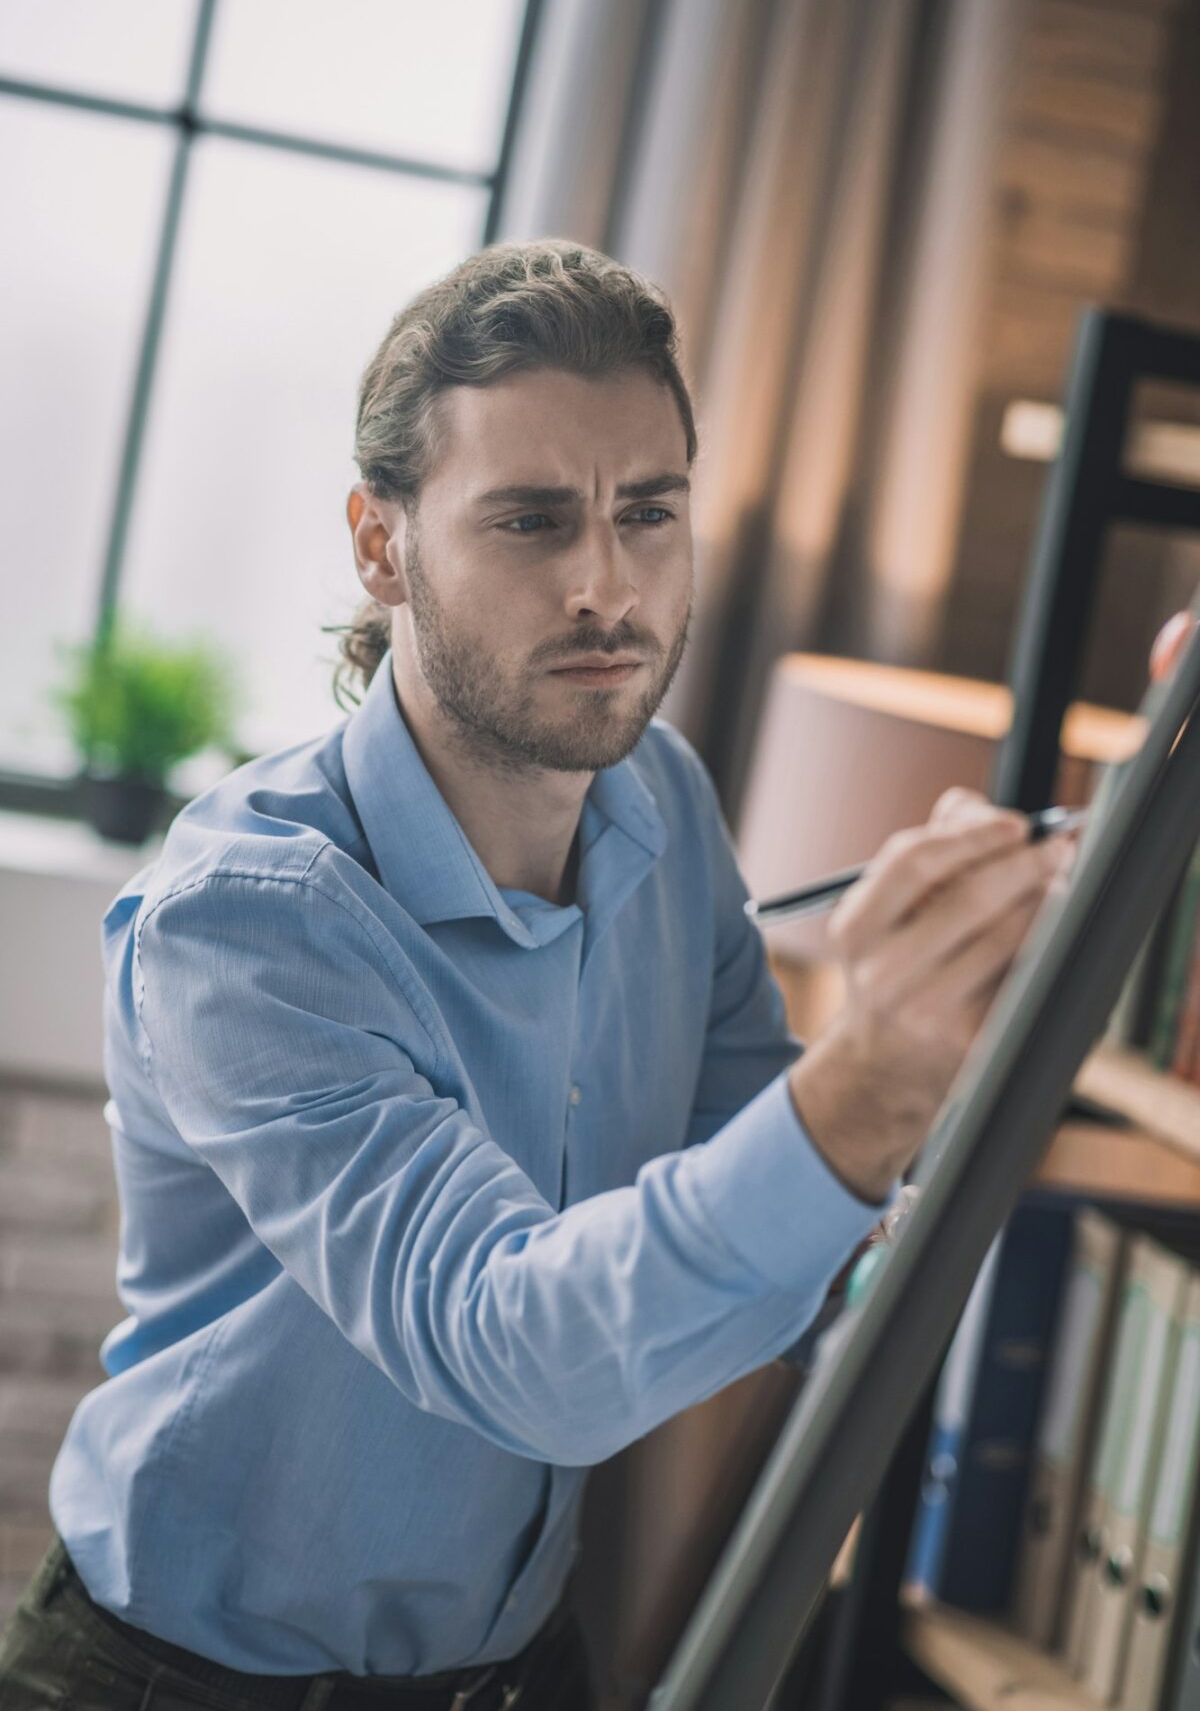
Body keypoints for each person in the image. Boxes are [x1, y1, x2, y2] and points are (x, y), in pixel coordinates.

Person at [1, 240, 1082, 1711]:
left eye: (650, 513)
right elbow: (521, 1354)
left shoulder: (667, 807)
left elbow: (791, 1225)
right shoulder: (246, 922)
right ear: (382, 547)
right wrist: (869, 1082)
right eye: (530, 520)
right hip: (173, 1684)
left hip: (516, 1672)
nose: (606, 588)